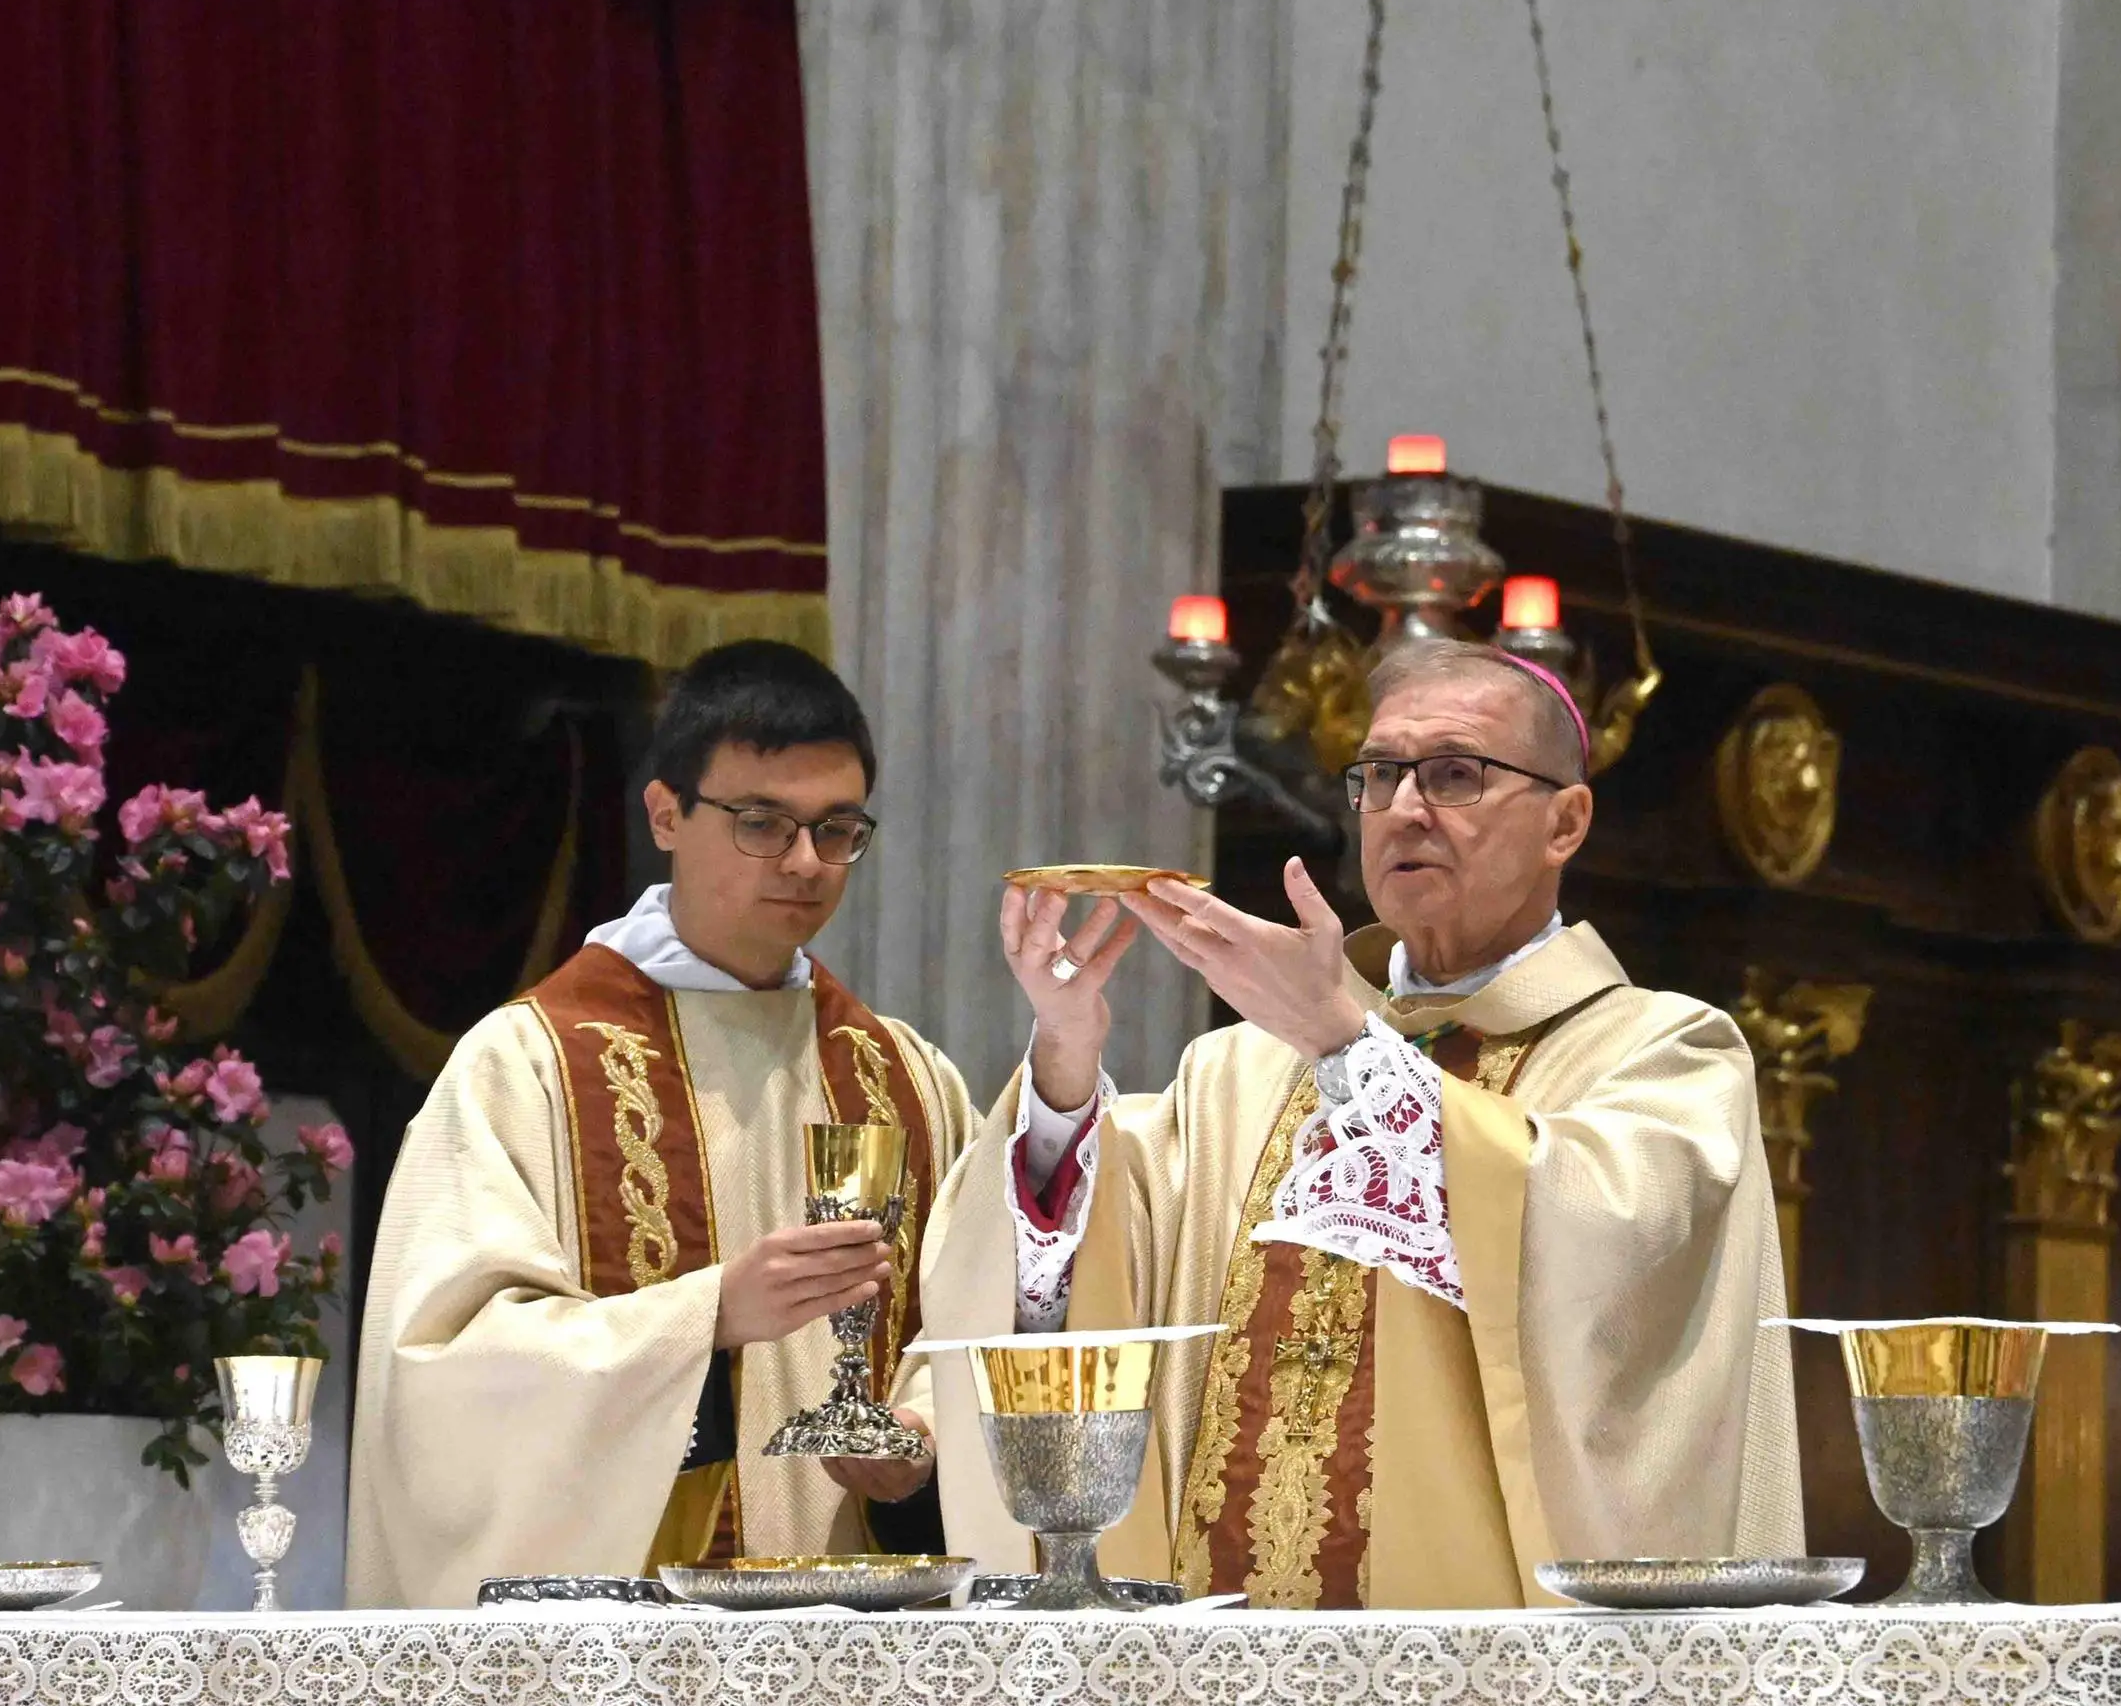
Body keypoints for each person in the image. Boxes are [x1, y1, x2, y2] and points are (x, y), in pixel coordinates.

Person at [897, 635, 1805, 1608]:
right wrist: (1068, 1065)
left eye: (1456, 773)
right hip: (1211, 1687)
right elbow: (1069, 1295)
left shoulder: (1664, 1054)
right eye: (1379, 775)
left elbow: (1598, 1260)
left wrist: (1342, 1039)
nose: (1405, 807)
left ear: (1566, 820)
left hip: (1490, 1692)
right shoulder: (1240, 1068)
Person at [345, 643, 966, 1606]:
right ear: (666, 812)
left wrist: (922, 1447)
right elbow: (440, 1376)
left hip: (863, 1670)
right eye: (763, 823)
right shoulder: (530, 1065)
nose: (806, 863)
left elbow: (980, 1325)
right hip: (612, 1691)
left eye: (837, 828)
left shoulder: (909, 1078)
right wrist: (707, 1316)